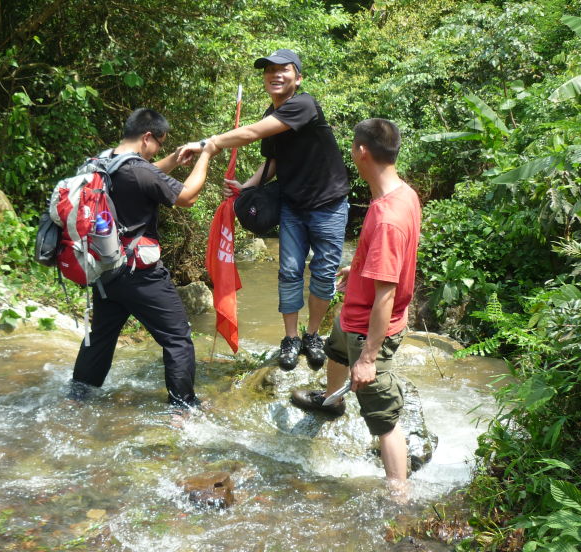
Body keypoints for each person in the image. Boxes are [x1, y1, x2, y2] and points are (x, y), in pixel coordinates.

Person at [178, 49, 350, 371]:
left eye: (283, 69)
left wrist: (209, 143)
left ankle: (312, 335)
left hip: (329, 205)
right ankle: (290, 338)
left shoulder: (304, 105)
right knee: (288, 272)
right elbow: (272, 162)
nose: (275, 74)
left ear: (298, 78)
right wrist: (248, 186)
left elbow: (252, 132)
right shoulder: (272, 113)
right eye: (269, 70)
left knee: (324, 274)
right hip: (293, 206)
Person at [290, 119, 421, 490]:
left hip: (370, 329)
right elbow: (390, 263)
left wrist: (368, 358)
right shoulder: (403, 195)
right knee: (334, 351)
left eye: (351, 146)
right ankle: (331, 401)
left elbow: (386, 293)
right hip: (353, 315)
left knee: (384, 421)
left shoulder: (387, 218)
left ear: (362, 152)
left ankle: (400, 494)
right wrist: (359, 268)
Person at [68, 108, 220, 407]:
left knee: (100, 337)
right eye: (160, 145)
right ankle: (183, 407)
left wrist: (176, 158)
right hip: (140, 273)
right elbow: (187, 197)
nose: (158, 151)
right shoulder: (138, 170)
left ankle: (78, 397)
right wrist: (206, 155)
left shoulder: (100, 162)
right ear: (148, 137)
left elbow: (146, 175)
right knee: (178, 338)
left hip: (104, 269)